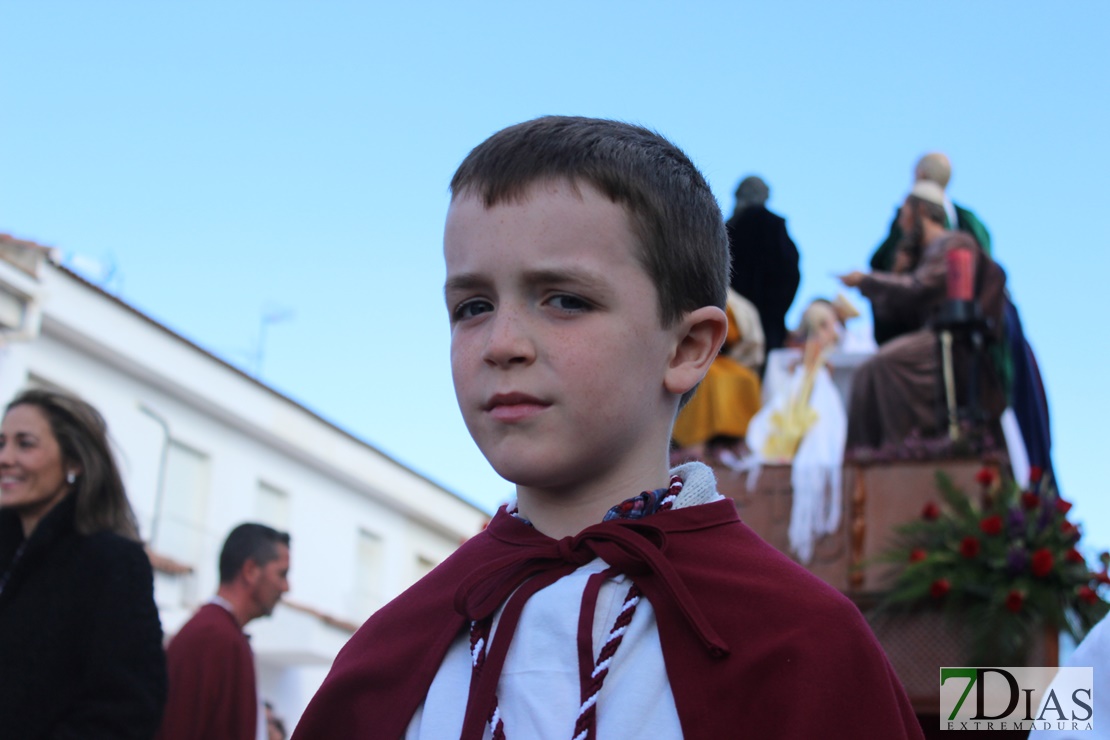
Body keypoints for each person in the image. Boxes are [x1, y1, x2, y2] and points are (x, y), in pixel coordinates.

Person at [292, 116, 923, 739]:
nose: (502, 343)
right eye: (472, 307)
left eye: (566, 299)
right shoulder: (392, 651)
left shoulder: (805, 645)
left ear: (686, 348)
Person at [0, 388, 167, 738]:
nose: (5, 457)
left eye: (25, 444)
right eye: (1, 443)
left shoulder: (112, 563)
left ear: (74, 462)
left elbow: (127, 709)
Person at [839, 180, 1007, 452]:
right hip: (930, 338)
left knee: (884, 365)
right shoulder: (921, 256)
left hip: (950, 340)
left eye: (905, 213)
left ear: (921, 211)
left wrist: (867, 281)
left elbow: (921, 287)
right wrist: (896, 272)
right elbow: (893, 313)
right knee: (866, 373)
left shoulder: (954, 243)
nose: (902, 223)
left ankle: (900, 448)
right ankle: (872, 455)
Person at [156, 523, 291, 740]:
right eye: (281, 574)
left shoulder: (223, 635)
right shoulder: (211, 637)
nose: (286, 587)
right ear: (250, 571)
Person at [869, 152, 992, 345]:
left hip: (953, 323)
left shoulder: (957, 227)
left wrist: (870, 280)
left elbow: (899, 275)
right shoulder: (969, 223)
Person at [725, 175, 801, 359]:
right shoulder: (773, 226)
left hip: (732, 321)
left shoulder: (728, 228)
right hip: (766, 323)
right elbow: (791, 274)